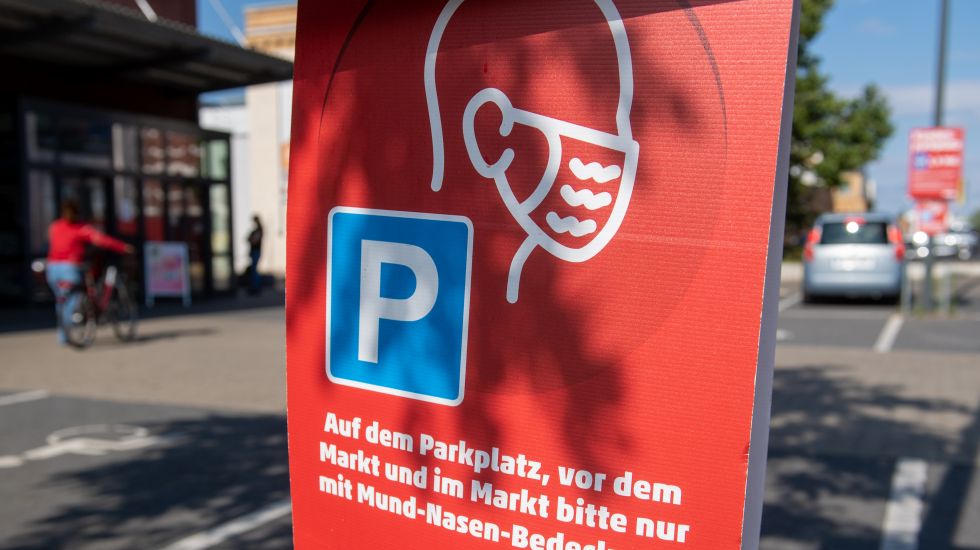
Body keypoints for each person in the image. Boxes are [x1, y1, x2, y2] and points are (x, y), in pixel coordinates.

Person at [47, 200, 133, 345]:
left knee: (62, 301)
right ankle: (66, 334)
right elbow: (101, 240)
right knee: (71, 301)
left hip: (53, 268)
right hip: (70, 267)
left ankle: (64, 334)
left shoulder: (55, 226)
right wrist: (122, 247)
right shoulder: (81, 228)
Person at [247, 214, 264, 294]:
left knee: (254, 270)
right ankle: (255, 286)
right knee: (254, 270)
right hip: (255, 251)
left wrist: (250, 238)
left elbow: (254, 240)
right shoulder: (258, 229)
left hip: (256, 251)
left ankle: (256, 287)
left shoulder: (259, 230)